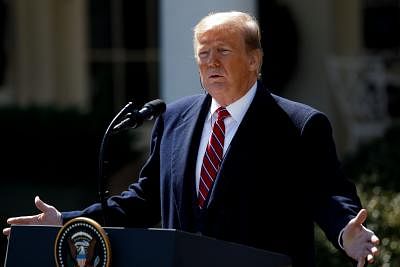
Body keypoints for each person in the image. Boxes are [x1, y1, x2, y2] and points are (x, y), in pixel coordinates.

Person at [3, 11, 379, 267]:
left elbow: (328, 194)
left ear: (254, 60)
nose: (211, 63)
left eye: (223, 52)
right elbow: (143, 200)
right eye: (203, 54)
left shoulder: (299, 125)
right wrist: (67, 222)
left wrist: (347, 230)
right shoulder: (174, 119)